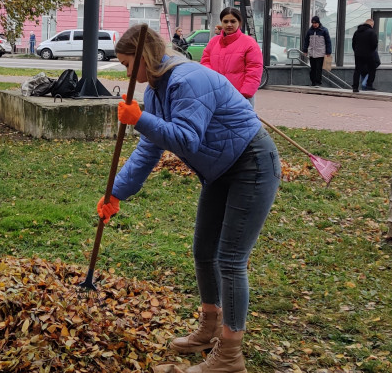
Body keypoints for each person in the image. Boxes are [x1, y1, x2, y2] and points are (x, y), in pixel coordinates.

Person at [96, 24, 281, 373]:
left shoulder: (187, 80)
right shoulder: (156, 90)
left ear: (145, 56)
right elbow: (149, 149)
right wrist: (115, 193)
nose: (125, 71)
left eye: (126, 63)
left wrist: (141, 119)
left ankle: (230, 355)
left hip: (252, 164)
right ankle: (210, 327)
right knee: (203, 251)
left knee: (230, 259)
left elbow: (185, 140)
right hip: (220, 170)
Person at [199, 8, 263, 107]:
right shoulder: (213, 42)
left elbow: (254, 71)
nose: (229, 24)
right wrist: (213, 84)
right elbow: (205, 63)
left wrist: (244, 94)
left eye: (233, 21)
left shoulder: (249, 43)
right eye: (225, 21)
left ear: (239, 23)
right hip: (217, 96)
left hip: (240, 98)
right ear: (221, 23)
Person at [351, 18, 380, 92]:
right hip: (368, 54)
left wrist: (356, 51)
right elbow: (374, 44)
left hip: (358, 54)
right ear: (371, 24)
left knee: (357, 70)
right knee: (372, 68)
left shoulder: (357, 32)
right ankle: (369, 85)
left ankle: (355, 87)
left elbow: (353, 43)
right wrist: (371, 51)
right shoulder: (372, 32)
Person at [302, 16, 332, 87]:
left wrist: (328, 52)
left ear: (318, 23)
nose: (314, 24)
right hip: (312, 53)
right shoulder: (310, 31)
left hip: (320, 53)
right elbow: (306, 41)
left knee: (318, 69)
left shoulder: (324, 30)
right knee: (313, 69)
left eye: (315, 23)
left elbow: (328, 42)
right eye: (313, 23)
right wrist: (305, 50)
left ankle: (318, 82)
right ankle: (313, 82)